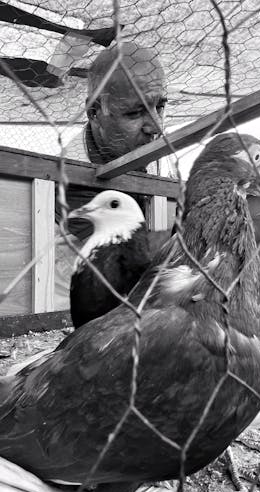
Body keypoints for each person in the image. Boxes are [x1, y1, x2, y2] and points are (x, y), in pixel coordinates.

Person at [54, 42, 173, 309]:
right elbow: (119, 266)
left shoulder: (145, 148)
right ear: (94, 112)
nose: (157, 127)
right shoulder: (71, 174)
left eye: (160, 106)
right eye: (135, 112)